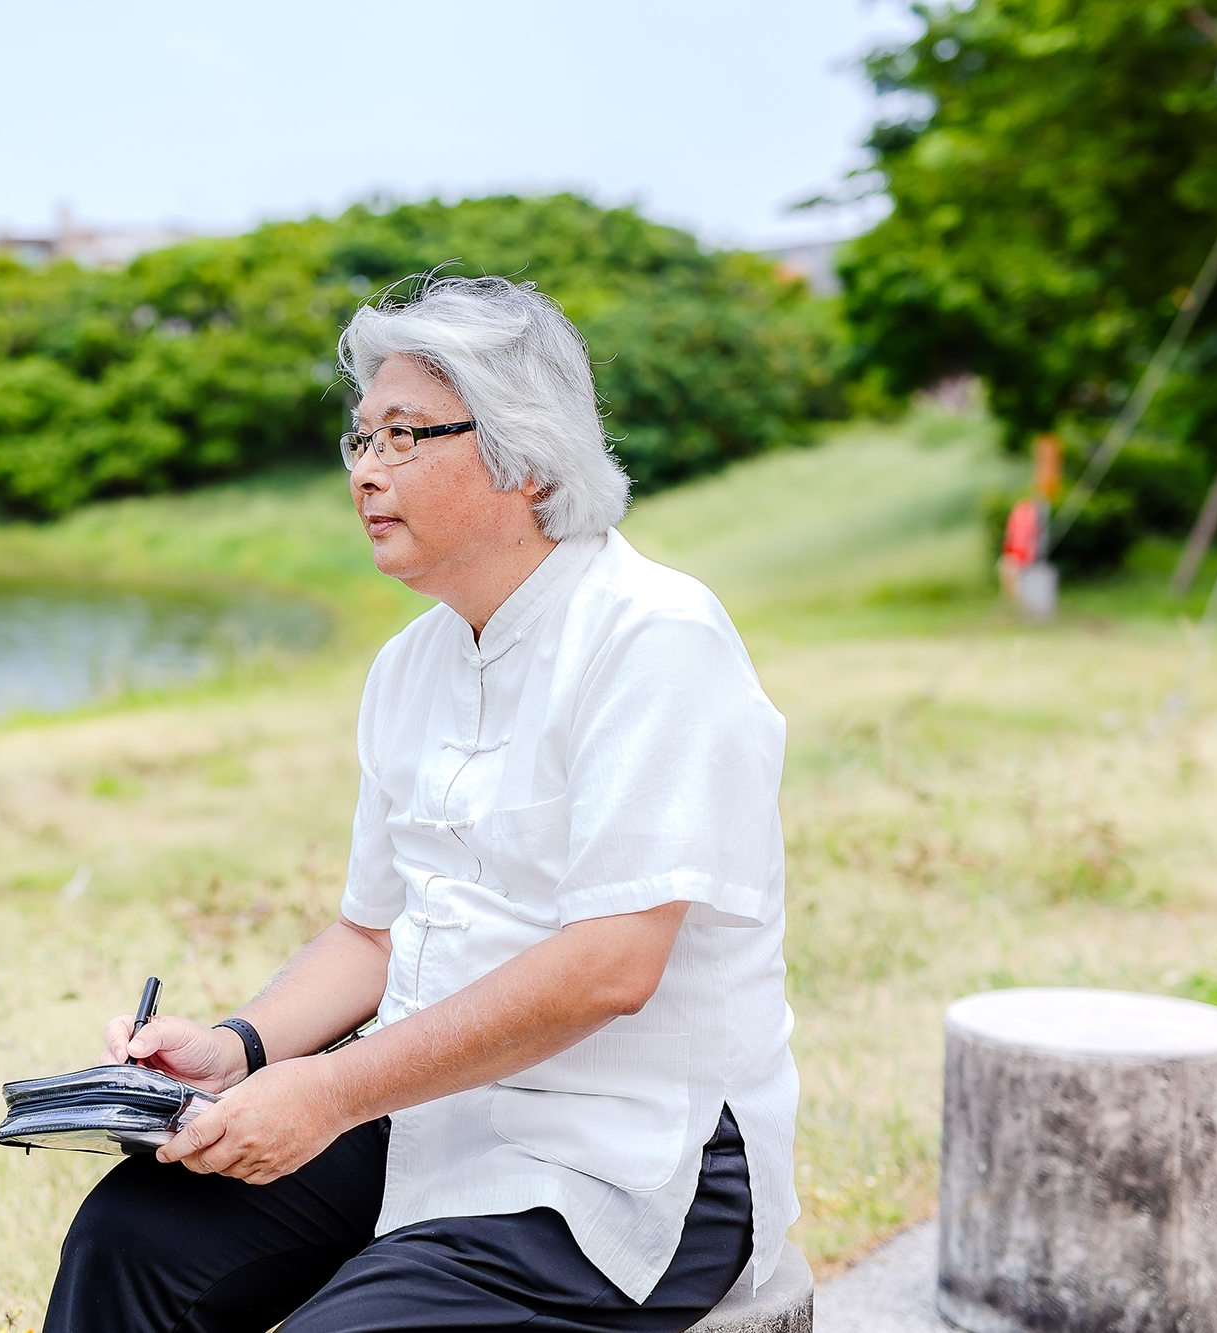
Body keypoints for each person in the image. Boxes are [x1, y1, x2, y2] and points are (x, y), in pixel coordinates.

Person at [43, 275, 798, 1333]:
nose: (365, 471)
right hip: (424, 1114)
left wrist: (330, 1093)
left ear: (525, 459)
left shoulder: (651, 636)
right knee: (133, 1240)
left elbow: (610, 965)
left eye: (405, 437)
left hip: (629, 1155)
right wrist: (240, 1048)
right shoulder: (410, 663)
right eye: (359, 439)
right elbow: (372, 930)